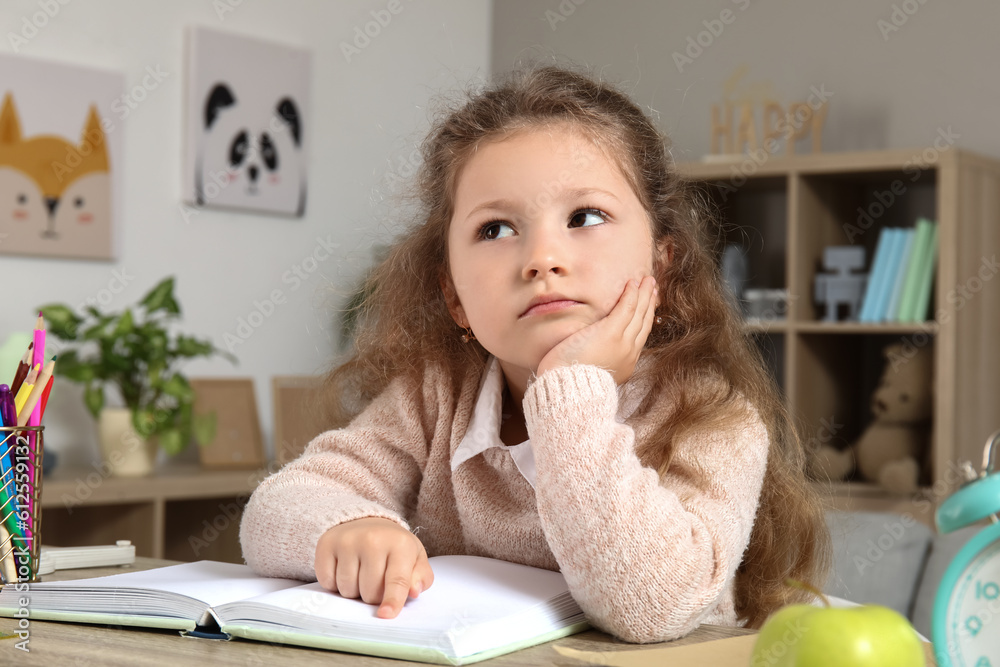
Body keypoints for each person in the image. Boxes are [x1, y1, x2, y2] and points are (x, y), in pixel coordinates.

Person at [240, 64, 831, 643]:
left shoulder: (712, 416)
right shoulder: (437, 396)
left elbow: (653, 607)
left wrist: (573, 390)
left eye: (585, 217)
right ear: (454, 296)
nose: (543, 258)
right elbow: (276, 509)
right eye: (496, 229)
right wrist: (349, 525)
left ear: (660, 263)